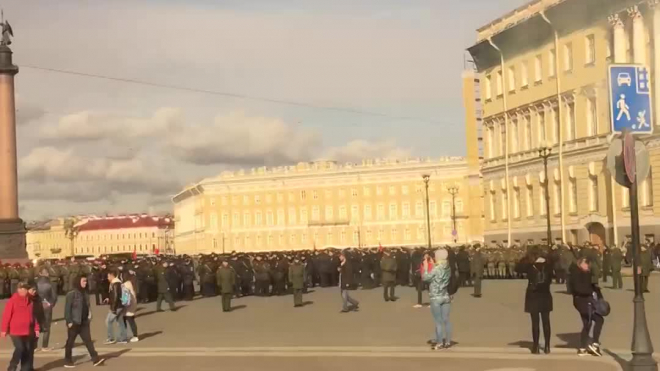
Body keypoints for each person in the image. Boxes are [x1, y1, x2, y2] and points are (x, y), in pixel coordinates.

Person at [64, 275, 105, 368]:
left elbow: (87, 306)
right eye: (83, 281)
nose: (85, 283)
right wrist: (69, 321)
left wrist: (89, 315)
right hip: (74, 322)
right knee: (70, 342)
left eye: (86, 281)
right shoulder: (71, 294)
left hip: (84, 322)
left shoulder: (85, 293)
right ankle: (67, 360)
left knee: (88, 341)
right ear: (78, 282)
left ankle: (95, 359)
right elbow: (67, 309)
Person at [1, 282, 40, 371]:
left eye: (25, 289)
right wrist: (3, 330)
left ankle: (25, 368)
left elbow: (33, 316)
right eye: (21, 289)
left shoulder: (30, 301)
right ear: (18, 290)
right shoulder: (13, 300)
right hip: (15, 331)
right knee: (20, 348)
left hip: (27, 330)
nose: (23, 291)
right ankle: (12, 366)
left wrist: (36, 328)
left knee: (27, 350)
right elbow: (6, 315)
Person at [571, 257, 604, 357]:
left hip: (585, 302)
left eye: (588, 264)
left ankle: (582, 348)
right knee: (599, 319)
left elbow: (593, 286)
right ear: (580, 264)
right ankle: (595, 344)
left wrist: (599, 295)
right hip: (583, 302)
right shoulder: (577, 274)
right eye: (586, 264)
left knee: (587, 323)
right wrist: (591, 292)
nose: (587, 266)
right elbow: (578, 289)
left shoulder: (586, 273)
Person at [524, 249, 553, 354]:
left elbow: (518, 268)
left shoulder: (530, 267)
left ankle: (535, 346)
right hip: (545, 296)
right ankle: (547, 346)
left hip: (533, 297)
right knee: (546, 322)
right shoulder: (549, 267)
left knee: (535, 323)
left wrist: (527, 257)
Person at [422, 249, 452, 350]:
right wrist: (434, 264)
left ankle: (439, 343)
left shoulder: (436, 268)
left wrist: (426, 268)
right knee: (446, 320)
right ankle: (448, 341)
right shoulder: (448, 267)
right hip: (445, 296)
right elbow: (440, 274)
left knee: (438, 321)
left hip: (435, 297)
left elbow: (425, 278)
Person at [35, 269, 57, 352]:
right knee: (46, 327)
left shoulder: (36, 283)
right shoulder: (50, 284)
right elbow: (54, 297)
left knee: (36, 326)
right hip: (47, 306)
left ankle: (35, 346)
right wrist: (51, 304)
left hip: (37, 306)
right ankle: (44, 346)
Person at [104, 270, 128, 345]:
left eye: (108, 276)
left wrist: (113, 309)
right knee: (120, 321)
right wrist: (109, 298)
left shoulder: (115, 284)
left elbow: (116, 296)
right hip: (120, 305)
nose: (107, 278)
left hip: (116, 306)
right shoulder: (117, 282)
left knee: (108, 321)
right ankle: (123, 338)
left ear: (112, 275)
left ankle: (110, 338)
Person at [122, 272, 139, 343]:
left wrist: (123, 303)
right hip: (132, 304)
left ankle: (134, 336)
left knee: (129, 321)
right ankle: (132, 335)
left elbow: (125, 296)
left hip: (128, 305)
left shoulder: (125, 285)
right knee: (130, 320)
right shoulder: (131, 283)